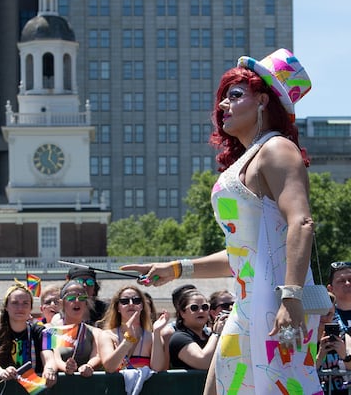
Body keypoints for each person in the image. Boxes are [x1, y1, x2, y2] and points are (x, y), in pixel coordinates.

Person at [122, 49, 321, 395]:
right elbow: (242, 252)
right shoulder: (252, 155)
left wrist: (290, 299)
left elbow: (301, 222)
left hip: (275, 306)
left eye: (235, 94)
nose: (223, 105)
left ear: (263, 100)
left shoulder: (277, 148)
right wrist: (176, 269)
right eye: (223, 97)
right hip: (248, 304)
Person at [0, 283, 57, 387]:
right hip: (5, 388)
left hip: (34, 388)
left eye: (25, 303)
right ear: (6, 307)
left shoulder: (42, 331)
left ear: (31, 307)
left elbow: (50, 358)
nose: (20, 307)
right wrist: (2, 372)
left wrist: (49, 370)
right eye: (15, 303)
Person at [96, 285, 168, 372]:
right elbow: (110, 367)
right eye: (124, 301)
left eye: (136, 300)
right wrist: (127, 341)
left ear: (142, 306)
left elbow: (157, 368)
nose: (131, 304)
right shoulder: (107, 335)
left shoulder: (153, 338)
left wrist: (156, 332)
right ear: (117, 307)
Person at [44, 281, 101, 376]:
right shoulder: (49, 330)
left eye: (82, 298)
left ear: (86, 303)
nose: (77, 301)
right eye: (71, 297)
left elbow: (97, 355)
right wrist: (65, 367)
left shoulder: (95, 332)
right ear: (62, 303)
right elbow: (55, 358)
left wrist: (88, 366)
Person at [316, 292, 351, 395]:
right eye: (322, 313)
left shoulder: (344, 337)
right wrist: (320, 356)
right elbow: (304, 373)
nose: (325, 318)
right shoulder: (305, 340)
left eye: (330, 313)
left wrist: (344, 355)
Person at [168, 288, 224, 370]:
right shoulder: (179, 338)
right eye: (194, 308)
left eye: (205, 307)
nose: (201, 311)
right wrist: (216, 334)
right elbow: (204, 363)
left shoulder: (209, 335)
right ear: (182, 313)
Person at [327, 260, 351, 338]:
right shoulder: (326, 317)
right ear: (330, 288)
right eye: (341, 281)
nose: (347, 283)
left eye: (350, 280)